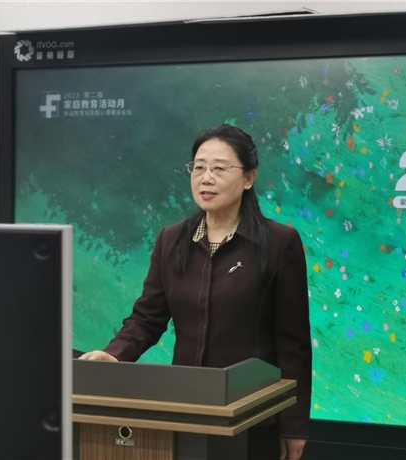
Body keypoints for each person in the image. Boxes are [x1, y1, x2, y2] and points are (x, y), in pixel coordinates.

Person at [80, 124, 312, 460]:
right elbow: (147, 318)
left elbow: (294, 343)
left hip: (252, 414)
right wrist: (114, 354)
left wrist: (294, 425)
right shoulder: (171, 239)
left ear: (249, 178)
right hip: (185, 409)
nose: (206, 178)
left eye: (219, 168)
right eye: (199, 167)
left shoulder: (278, 243)